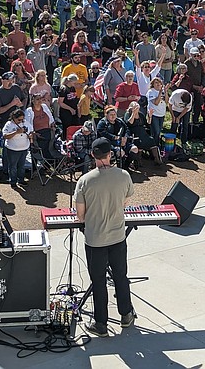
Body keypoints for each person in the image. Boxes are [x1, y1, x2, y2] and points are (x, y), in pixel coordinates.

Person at [74, 136, 136, 337]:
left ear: (93, 155)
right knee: (120, 276)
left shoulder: (85, 181)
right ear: (111, 155)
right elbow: (125, 202)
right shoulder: (124, 175)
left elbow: (80, 215)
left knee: (98, 280)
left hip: (95, 239)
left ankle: (101, 324)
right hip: (118, 236)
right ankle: (126, 315)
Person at [2, 108, 31, 187]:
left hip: (24, 148)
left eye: (22, 119)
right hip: (12, 150)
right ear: (14, 118)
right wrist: (16, 132)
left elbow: (31, 130)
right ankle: (13, 181)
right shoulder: (9, 124)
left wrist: (31, 135)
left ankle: (21, 180)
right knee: (13, 166)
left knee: (21, 166)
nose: (21, 121)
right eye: (19, 120)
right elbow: (5, 136)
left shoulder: (26, 122)